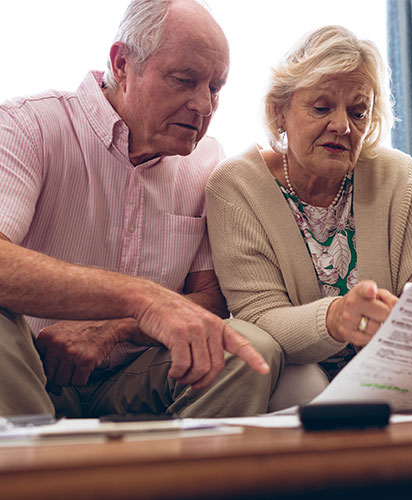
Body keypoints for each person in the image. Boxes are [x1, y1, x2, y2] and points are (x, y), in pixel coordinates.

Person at [0, 0, 283, 418]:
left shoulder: (208, 160)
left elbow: (208, 299)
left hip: (133, 373)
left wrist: (114, 329)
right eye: (185, 80)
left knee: (248, 349)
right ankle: (39, 479)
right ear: (121, 65)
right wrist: (142, 298)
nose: (204, 106)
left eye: (215, 88)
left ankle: (180, 484)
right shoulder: (28, 125)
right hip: (34, 367)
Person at [206, 25, 412, 410]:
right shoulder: (235, 185)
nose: (342, 125)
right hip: (294, 380)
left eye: (358, 112)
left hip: (393, 381)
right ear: (280, 112)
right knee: (302, 383)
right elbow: (258, 318)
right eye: (322, 107)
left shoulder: (399, 177)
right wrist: (335, 318)